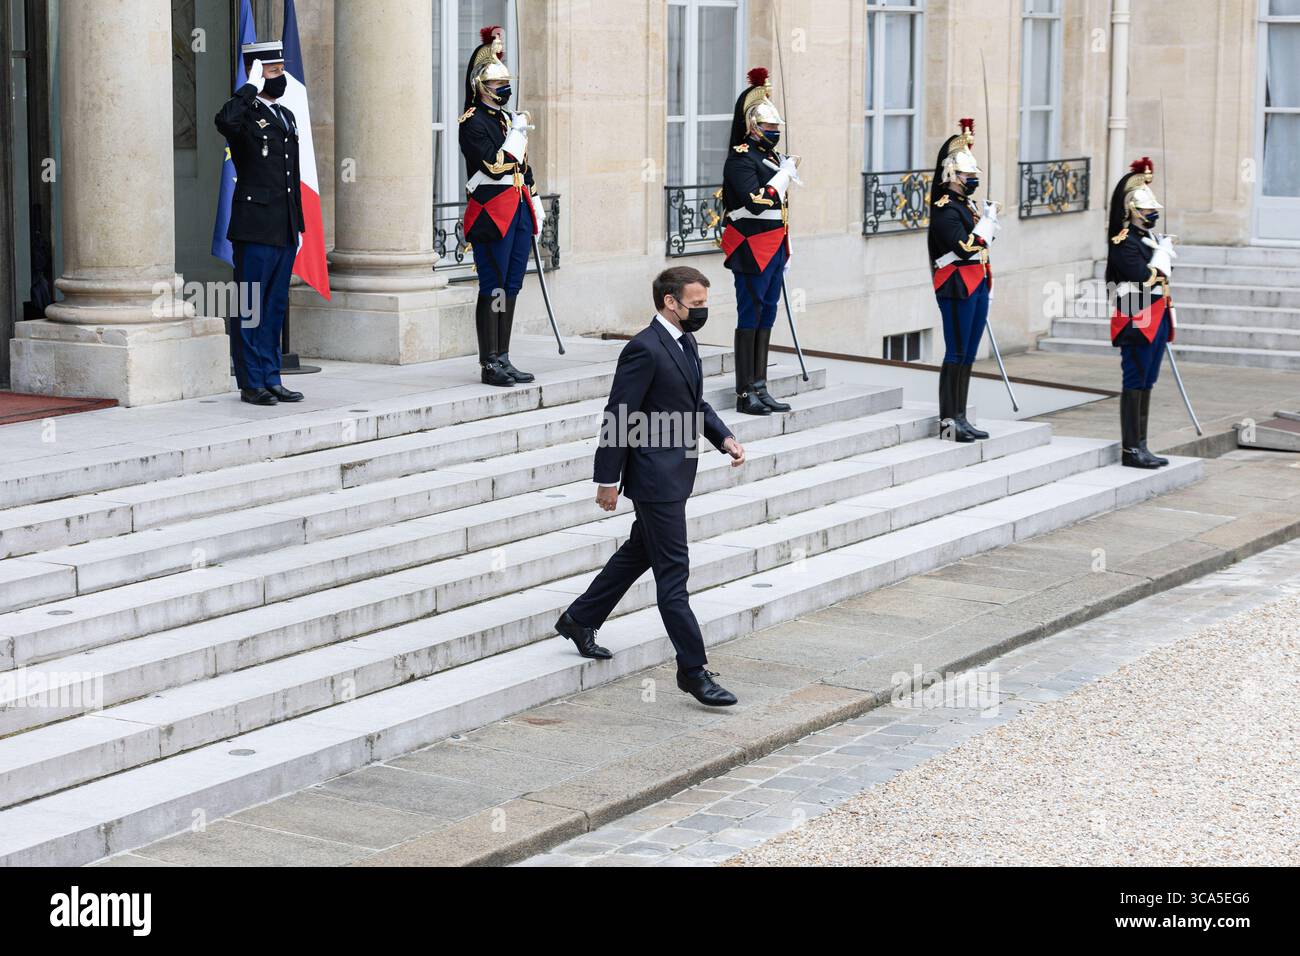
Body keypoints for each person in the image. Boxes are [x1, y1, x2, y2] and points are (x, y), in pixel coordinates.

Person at [553, 266, 747, 707]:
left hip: (678, 471)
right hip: (654, 479)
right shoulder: (643, 348)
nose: (702, 311)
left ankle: (579, 618)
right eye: (695, 304)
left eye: (703, 304)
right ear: (670, 302)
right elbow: (618, 415)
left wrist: (724, 437)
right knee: (673, 575)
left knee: (640, 551)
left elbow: (693, 403)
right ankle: (693, 671)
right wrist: (608, 480)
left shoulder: (685, 340)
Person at [214, 40, 305, 406]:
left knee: (274, 306)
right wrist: (250, 86)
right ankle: (251, 382)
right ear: (256, 71)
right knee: (250, 305)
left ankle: (271, 376)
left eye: (281, 69)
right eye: (273, 70)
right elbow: (224, 121)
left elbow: (291, 175)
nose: (280, 76)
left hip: (283, 225)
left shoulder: (286, 115)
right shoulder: (244, 114)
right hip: (254, 227)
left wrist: (296, 223)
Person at [459, 25, 545, 387]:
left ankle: (505, 355)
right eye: (497, 85)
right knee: (492, 286)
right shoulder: (472, 122)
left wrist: (536, 202)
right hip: (492, 212)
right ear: (481, 86)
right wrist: (516, 134)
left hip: (518, 208)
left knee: (511, 285)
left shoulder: (508, 119)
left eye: (504, 84)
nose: (503, 91)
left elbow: (523, 168)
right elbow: (494, 164)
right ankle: (489, 361)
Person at [721, 67, 800, 416]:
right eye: (769, 128)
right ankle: (744, 393)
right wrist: (781, 178)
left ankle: (760, 385)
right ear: (753, 127)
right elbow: (755, 202)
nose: (775, 132)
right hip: (751, 247)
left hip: (773, 246)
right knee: (750, 315)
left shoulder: (769, 158)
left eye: (777, 128)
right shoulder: (741, 158)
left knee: (767, 313)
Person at [927, 118, 1000, 442]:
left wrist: (986, 223)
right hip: (956, 284)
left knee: (969, 353)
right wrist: (986, 225)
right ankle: (948, 422)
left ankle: (961, 416)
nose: (972, 180)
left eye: (974, 176)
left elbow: (982, 247)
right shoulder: (946, 208)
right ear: (952, 176)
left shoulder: (964, 205)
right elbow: (965, 247)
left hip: (976, 282)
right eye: (967, 176)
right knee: (956, 353)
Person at [1106, 157, 1175, 469]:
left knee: (1148, 380)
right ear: (1133, 210)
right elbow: (1142, 278)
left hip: (1156, 315)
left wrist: (1159, 253)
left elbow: (1161, 282)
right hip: (1136, 319)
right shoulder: (1124, 243)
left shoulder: (1147, 241)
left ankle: (1143, 444)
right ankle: (1131, 449)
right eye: (1147, 210)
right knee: (1135, 379)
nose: (1153, 213)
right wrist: (1161, 256)